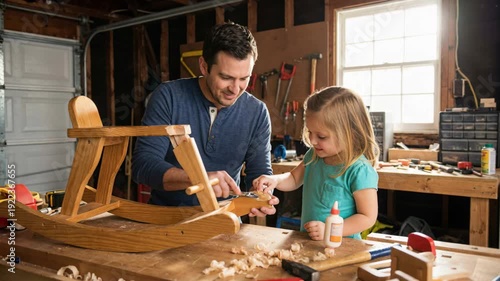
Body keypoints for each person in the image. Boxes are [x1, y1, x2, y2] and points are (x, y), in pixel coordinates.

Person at [132, 22, 277, 217]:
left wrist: (264, 191)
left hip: (224, 221)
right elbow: (143, 165)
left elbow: (259, 172)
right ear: (204, 66)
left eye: (244, 78)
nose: (235, 89)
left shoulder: (257, 112)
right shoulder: (169, 97)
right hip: (165, 219)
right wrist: (199, 178)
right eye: (226, 77)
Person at [253, 86, 379, 240]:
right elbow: (293, 179)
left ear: (349, 134)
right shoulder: (314, 156)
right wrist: (275, 180)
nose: (312, 141)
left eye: (321, 136)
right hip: (309, 243)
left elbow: (367, 217)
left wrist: (330, 229)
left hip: (342, 248)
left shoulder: (359, 170)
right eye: (310, 132)